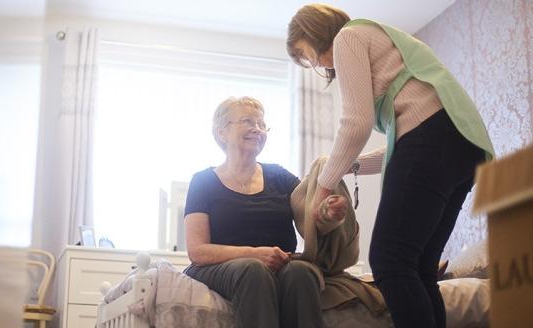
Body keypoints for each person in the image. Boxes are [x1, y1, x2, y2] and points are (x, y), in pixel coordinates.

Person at [286, 4, 495, 328]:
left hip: (434, 141)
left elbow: (356, 123)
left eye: (306, 55)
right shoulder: (380, 39)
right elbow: (409, 141)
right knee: (421, 268)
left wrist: (323, 186)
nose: (314, 64)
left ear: (312, 33)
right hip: (462, 144)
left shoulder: (347, 38)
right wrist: (349, 165)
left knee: (389, 262)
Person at [183, 96, 346, 328]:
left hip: (275, 265)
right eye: (248, 122)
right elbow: (198, 251)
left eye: (262, 124)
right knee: (253, 269)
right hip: (220, 268)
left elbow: (309, 210)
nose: (257, 129)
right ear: (222, 133)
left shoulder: (279, 176)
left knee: (301, 272)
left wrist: (327, 211)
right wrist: (253, 253)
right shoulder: (203, 181)